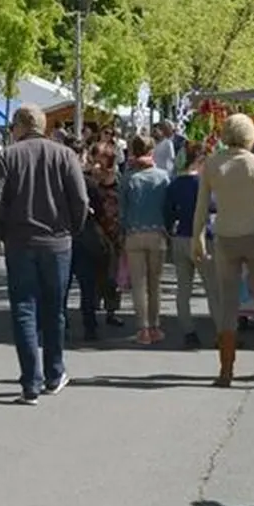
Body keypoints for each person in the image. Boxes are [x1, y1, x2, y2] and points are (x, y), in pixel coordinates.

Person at [0, 104, 89, 405]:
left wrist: (1, 232)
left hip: (20, 241)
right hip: (58, 241)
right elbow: (81, 199)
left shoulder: (7, 155)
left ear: (20, 125)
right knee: (54, 309)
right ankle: (54, 373)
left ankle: (30, 382)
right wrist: (72, 228)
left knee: (23, 309)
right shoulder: (65, 155)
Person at [193, 113, 254, 388]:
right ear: (251, 135)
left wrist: (197, 238)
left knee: (229, 304)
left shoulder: (212, 164)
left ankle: (225, 372)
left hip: (225, 237)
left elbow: (201, 206)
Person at [165, 142, 218, 349]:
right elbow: (213, 207)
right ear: (201, 161)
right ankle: (221, 331)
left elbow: (168, 213)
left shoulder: (175, 184)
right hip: (204, 237)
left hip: (180, 237)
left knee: (183, 287)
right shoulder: (205, 184)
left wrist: (171, 230)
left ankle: (188, 331)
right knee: (212, 288)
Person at [121, 135, 170, 345]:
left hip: (133, 234)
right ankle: (155, 325)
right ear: (152, 151)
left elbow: (122, 211)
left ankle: (143, 329)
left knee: (139, 285)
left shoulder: (128, 178)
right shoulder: (163, 177)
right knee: (154, 284)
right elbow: (168, 207)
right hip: (157, 233)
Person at [64, 137, 106, 342]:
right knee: (87, 285)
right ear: (82, 156)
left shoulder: (58, 181)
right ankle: (90, 325)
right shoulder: (88, 182)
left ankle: (60, 323)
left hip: (62, 236)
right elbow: (100, 210)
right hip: (85, 236)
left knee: (61, 285)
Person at [88, 141, 124, 327]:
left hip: (113, 234)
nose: (98, 167)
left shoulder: (119, 182)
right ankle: (91, 309)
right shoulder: (89, 181)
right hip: (93, 234)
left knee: (112, 276)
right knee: (92, 276)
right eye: (96, 161)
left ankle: (111, 311)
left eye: (102, 162)